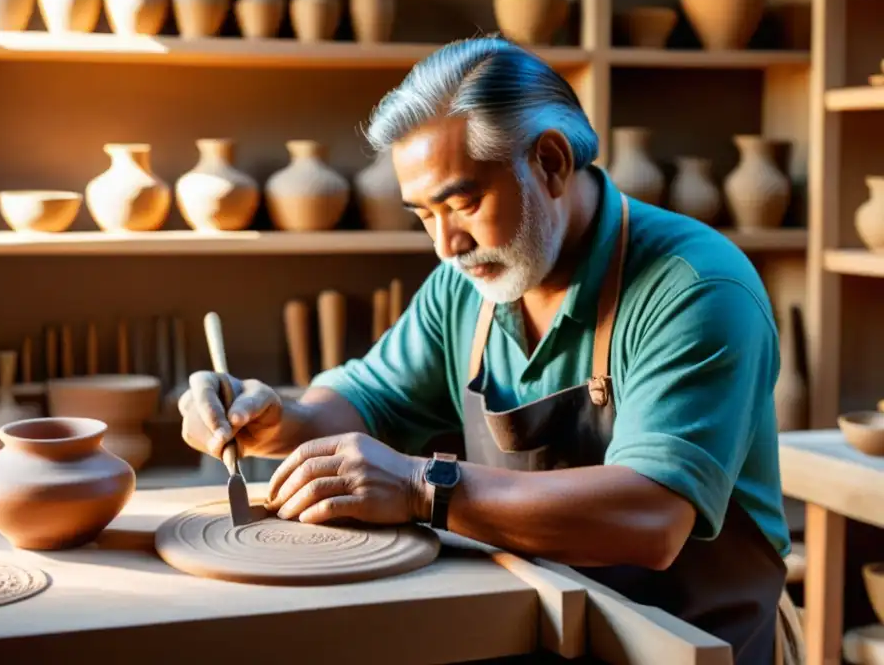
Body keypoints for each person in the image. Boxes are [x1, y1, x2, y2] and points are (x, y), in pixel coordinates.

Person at [179, 35, 793, 664]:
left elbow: (652, 519)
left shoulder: (694, 287)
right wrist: (277, 421)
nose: (446, 244)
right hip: (544, 621)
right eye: (424, 215)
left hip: (686, 640)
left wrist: (424, 487)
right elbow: (372, 398)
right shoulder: (466, 287)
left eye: (463, 204)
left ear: (550, 162)